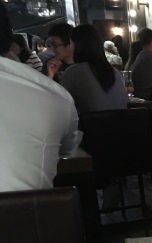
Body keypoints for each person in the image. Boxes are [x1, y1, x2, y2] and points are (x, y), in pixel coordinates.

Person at [0, 3, 80, 192]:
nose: (52, 49)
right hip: (33, 209)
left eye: (54, 44)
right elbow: (67, 149)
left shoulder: (65, 79)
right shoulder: (54, 94)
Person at [61, 24, 127, 114]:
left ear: (76, 45)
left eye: (71, 43)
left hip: (89, 123)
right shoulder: (115, 72)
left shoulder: (73, 72)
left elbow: (64, 107)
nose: (70, 47)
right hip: (122, 122)